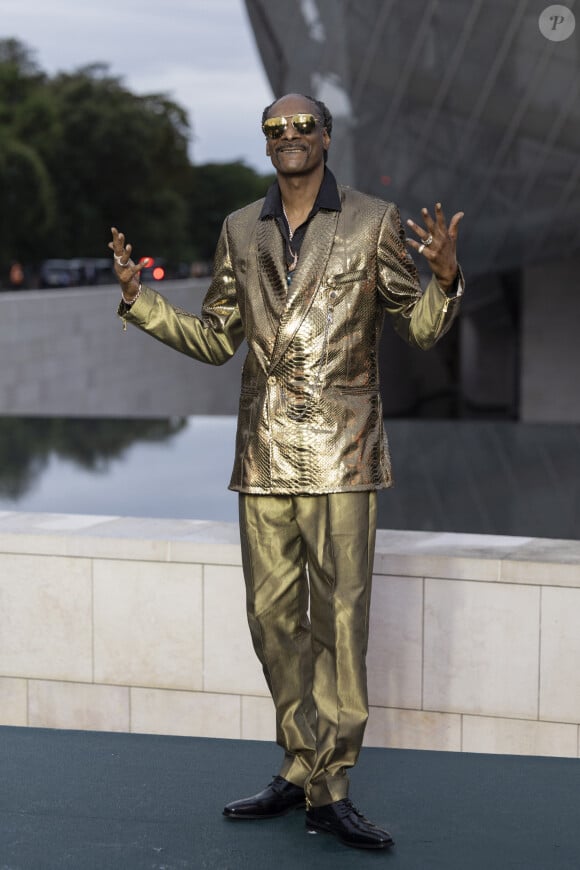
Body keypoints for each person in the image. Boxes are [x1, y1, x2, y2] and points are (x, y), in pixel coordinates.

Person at [109, 92, 464, 851]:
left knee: (341, 623)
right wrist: (142, 304)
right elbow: (215, 339)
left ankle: (330, 785)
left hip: (344, 453)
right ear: (267, 144)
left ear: (327, 137)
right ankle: (299, 763)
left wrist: (445, 279)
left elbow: (424, 329)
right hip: (264, 453)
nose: (291, 136)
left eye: (304, 125)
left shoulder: (372, 220)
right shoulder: (241, 228)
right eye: (277, 128)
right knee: (272, 621)